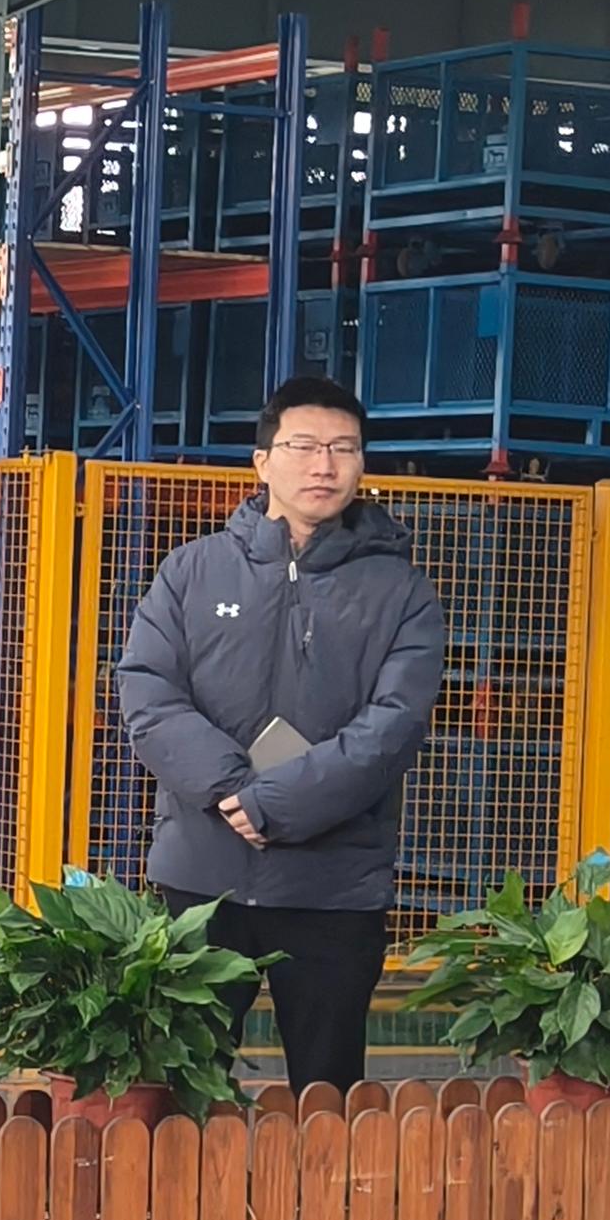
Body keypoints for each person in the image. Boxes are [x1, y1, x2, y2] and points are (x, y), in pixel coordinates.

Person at [117, 375, 447, 1093]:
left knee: (328, 1099)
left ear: (361, 464)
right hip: (203, 877)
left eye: (343, 448)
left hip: (334, 888)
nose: (323, 465)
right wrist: (233, 790)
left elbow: (394, 725)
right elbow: (148, 692)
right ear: (262, 461)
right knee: (182, 1090)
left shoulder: (402, 592)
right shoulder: (192, 570)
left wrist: (276, 803)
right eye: (303, 446)